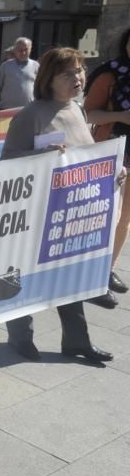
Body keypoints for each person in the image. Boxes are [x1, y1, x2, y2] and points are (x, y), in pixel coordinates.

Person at [2, 47, 119, 360]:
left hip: (70, 215)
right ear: (49, 79)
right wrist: (42, 157)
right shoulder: (30, 115)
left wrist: (111, 174)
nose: (78, 77)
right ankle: (19, 336)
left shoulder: (77, 111)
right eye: (69, 73)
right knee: (23, 276)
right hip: (36, 214)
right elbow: (8, 162)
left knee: (70, 276)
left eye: (80, 69)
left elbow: (88, 155)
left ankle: (77, 341)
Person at [85, 26, 130, 302]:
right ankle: (91, 274)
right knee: (106, 216)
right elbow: (88, 113)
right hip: (112, 150)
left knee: (125, 218)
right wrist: (123, 117)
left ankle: (108, 269)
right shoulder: (109, 73)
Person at [0, 37, 38, 109]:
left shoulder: (36, 66)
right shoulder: (5, 66)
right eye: (20, 50)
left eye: (26, 49)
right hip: (6, 111)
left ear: (30, 49)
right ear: (15, 50)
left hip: (28, 111)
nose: (23, 52)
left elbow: (40, 88)